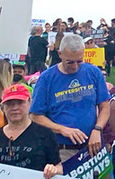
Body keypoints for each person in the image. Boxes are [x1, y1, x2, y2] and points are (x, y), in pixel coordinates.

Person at [29, 33, 110, 161]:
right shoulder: (46, 78)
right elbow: (35, 116)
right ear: (60, 54)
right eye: (70, 62)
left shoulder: (93, 72)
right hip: (63, 149)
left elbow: (105, 106)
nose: (75, 66)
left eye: (79, 61)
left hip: (92, 145)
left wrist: (98, 129)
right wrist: (62, 129)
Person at [0, 84, 62, 179]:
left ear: (30, 103)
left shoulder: (45, 134)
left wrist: (53, 170)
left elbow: (59, 167)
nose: (15, 107)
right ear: (3, 107)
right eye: (9, 103)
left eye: (20, 102)